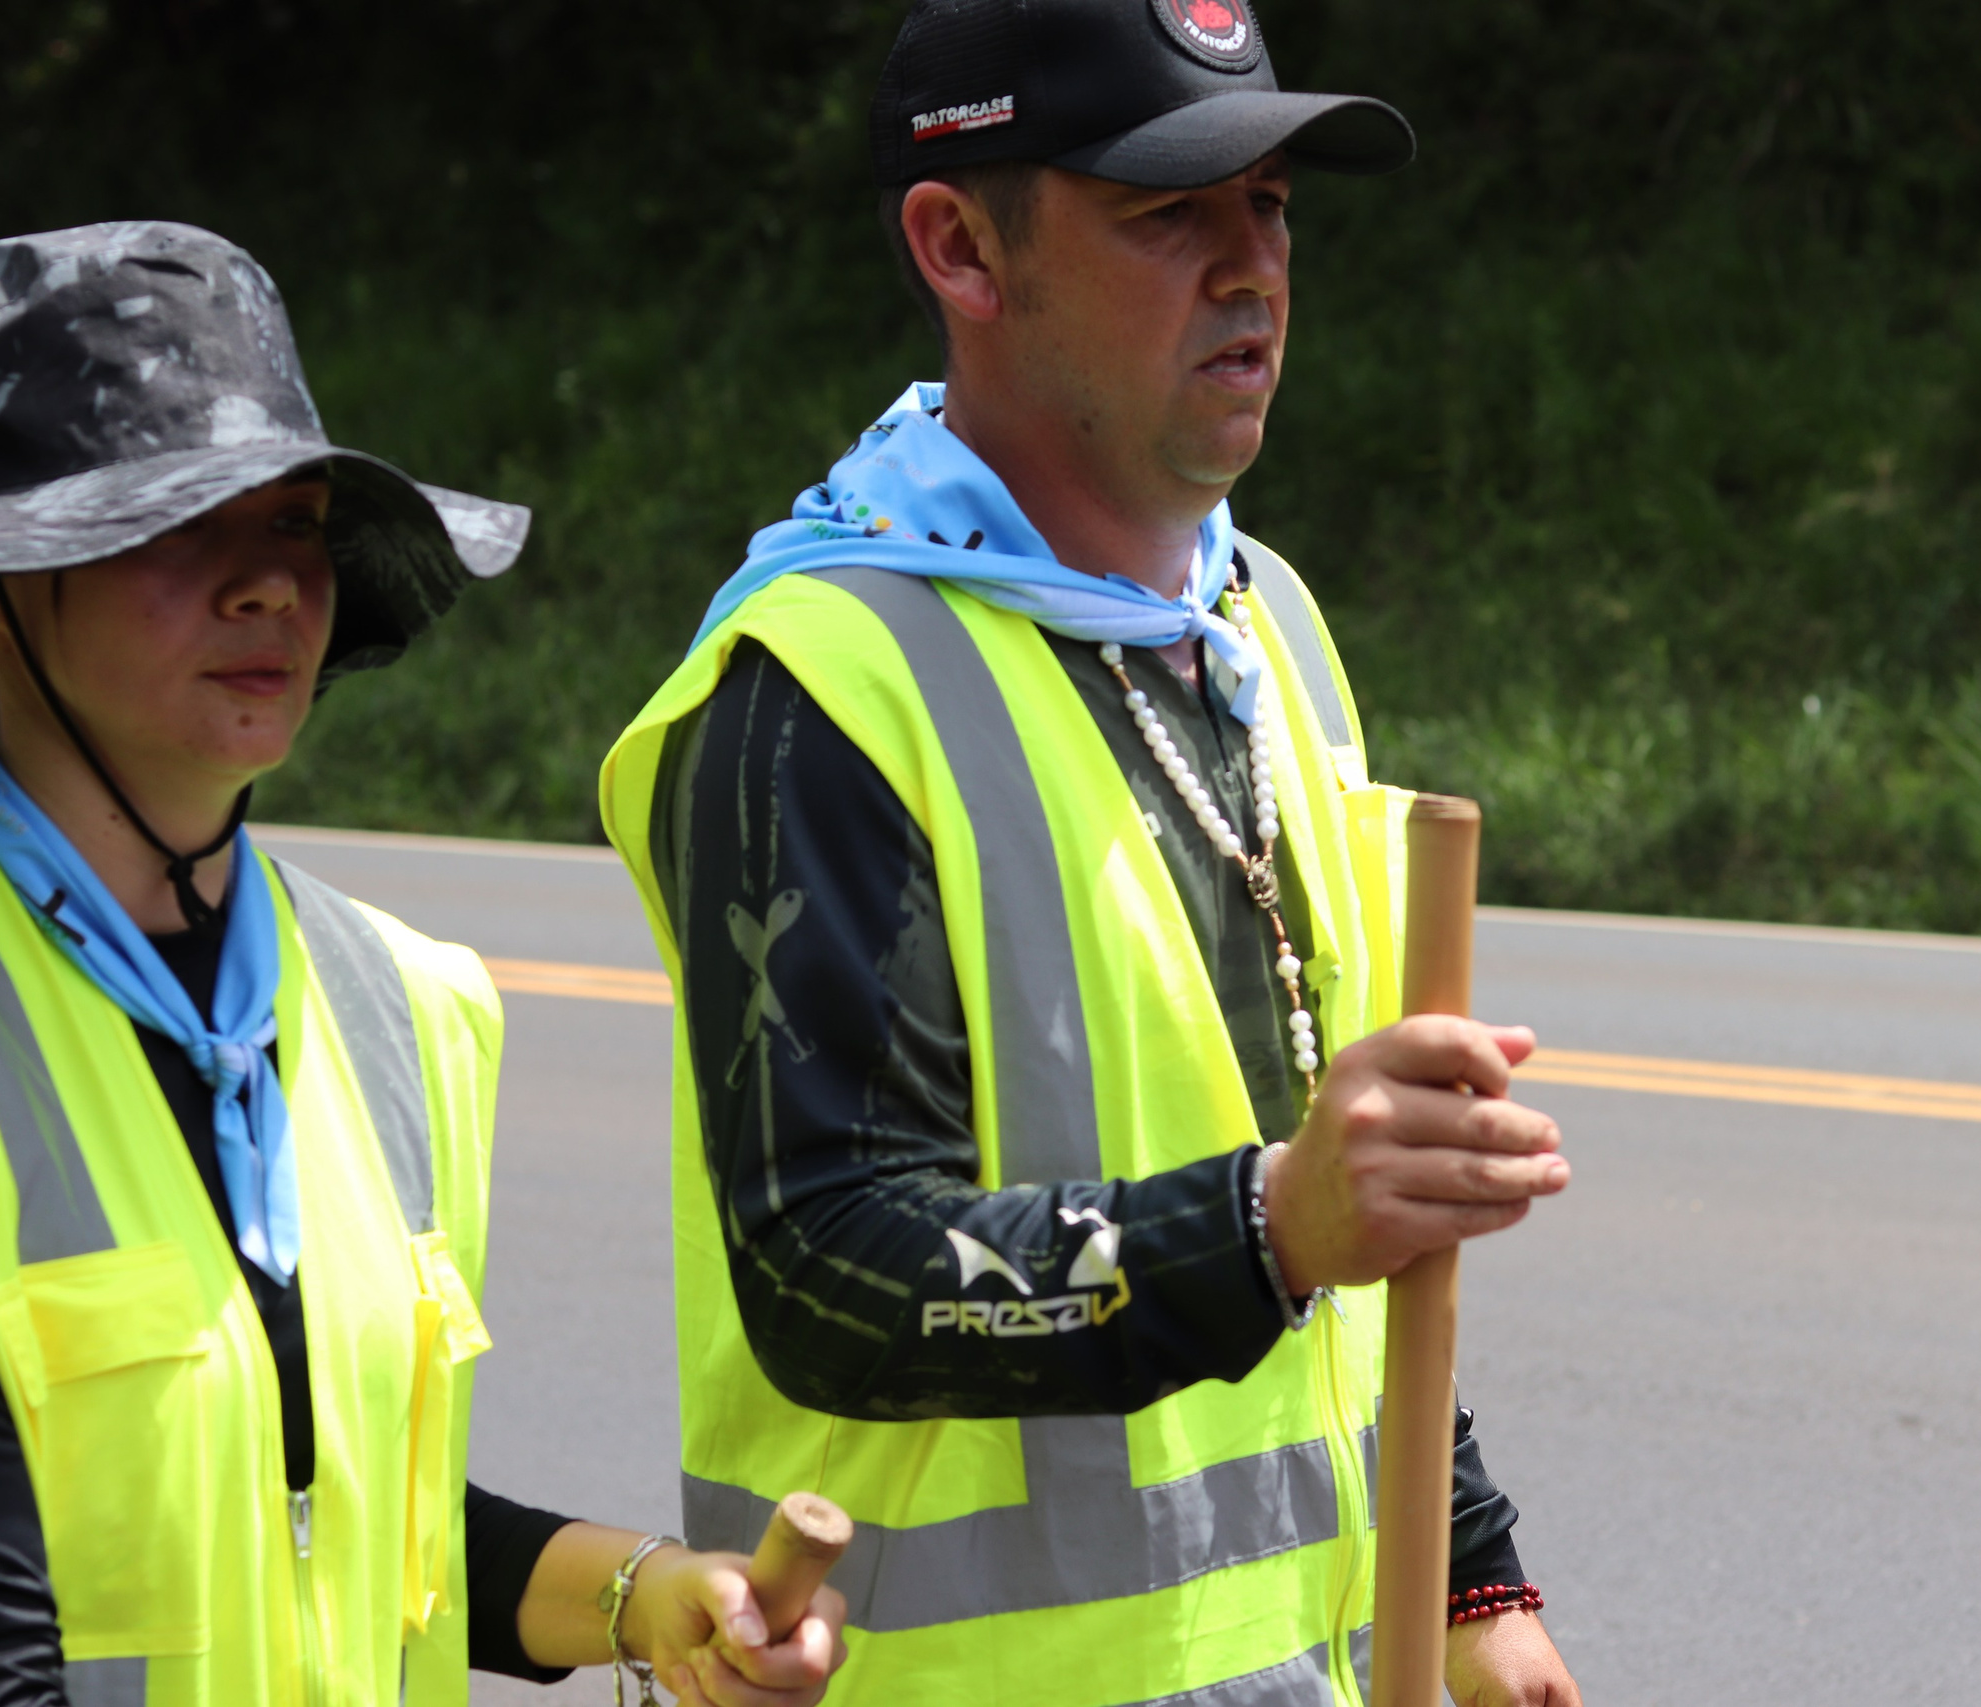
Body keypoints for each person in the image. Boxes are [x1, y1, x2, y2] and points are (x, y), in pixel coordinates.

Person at [599, 3, 1585, 1703]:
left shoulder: (1256, 621)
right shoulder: (818, 689)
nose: (1251, 268)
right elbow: (825, 1264)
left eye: (1271, 205)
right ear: (960, 248)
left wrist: (1471, 1581)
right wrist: (1271, 1227)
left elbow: (1340, 1196)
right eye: (1166, 213)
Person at [0, 223, 845, 1706]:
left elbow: (338, 1526)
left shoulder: (405, 1004)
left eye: (293, 525)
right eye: (175, 525)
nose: (267, 587)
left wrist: (647, 1595)